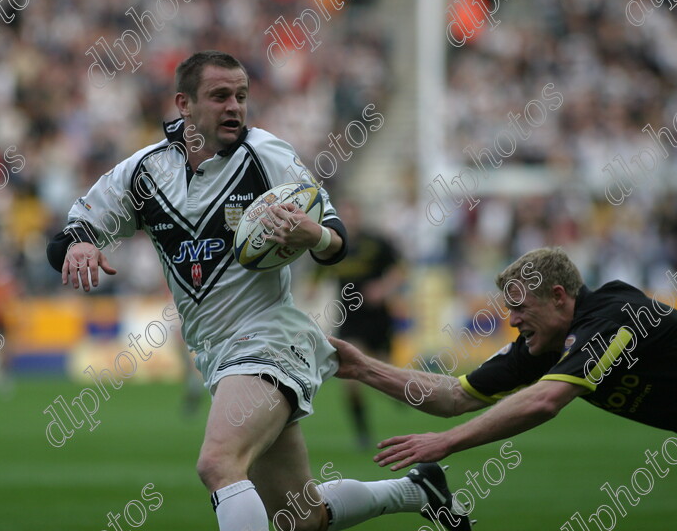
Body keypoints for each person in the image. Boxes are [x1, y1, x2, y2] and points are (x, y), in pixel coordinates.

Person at [47, 51, 474, 531]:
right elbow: (70, 231)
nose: (235, 106)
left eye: (241, 96)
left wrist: (314, 236)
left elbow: (335, 237)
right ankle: (419, 489)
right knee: (301, 518)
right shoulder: (144, 173)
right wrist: (79, 244)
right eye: (220, 96)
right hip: (217, 355)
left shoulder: (266, 154)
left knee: (218, 464)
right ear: (184, 104)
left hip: (270, 339)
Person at [330, 247, 677, 527]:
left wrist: (447, 442)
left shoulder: (614, 314)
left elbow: (545, 400)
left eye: (521, 308)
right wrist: (364, 368)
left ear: (558, 296)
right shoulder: (541, 342)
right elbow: (456, 396)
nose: (512, 321)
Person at [308, 199, 404, 449]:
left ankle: (401, 392)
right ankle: (362, 433)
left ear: (359, 216)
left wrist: (383, 288)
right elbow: (318, 272)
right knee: (351, 379)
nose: (349, 220)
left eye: (353, 215)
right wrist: (311, 289)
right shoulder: (333, 245)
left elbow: (398, 270)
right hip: (349, 319)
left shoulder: (376, 242)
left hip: (377, 316)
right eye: (345, 216)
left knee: (386, 365)